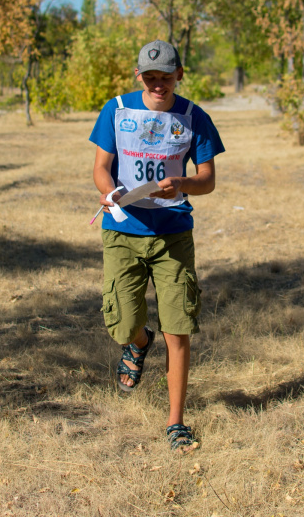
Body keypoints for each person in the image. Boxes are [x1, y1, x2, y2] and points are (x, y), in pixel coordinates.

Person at [89, 39, 224, 453]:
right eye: (150, 78)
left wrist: (182, 184)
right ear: (138, 76)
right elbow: (100, 169)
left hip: (172, 234)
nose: (158, 85)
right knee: (124, 323)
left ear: (179, 74)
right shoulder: (116, 110)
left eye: (166, 77)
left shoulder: (194, 117)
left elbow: (208, 180)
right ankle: (137, 342)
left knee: (178, 327)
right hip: (123, 231)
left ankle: (176, 423)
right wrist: (109, 193)